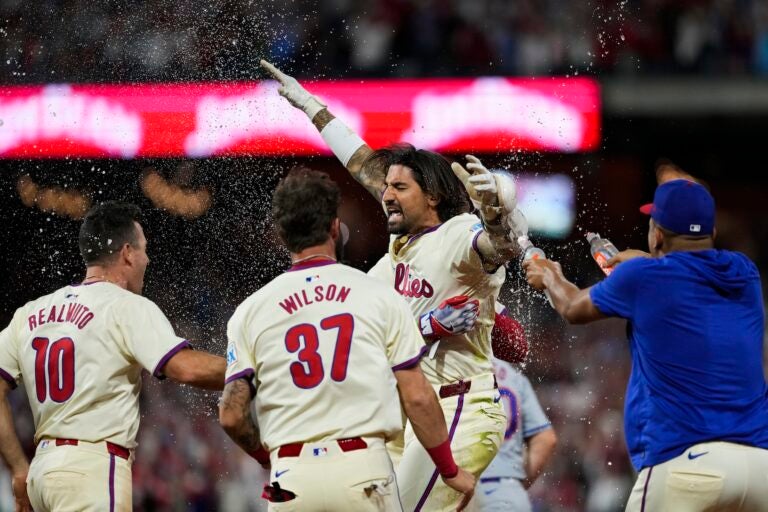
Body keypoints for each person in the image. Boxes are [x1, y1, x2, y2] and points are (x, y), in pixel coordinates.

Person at [261, 60, 526, 511]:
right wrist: (311, 107)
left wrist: (496, 215)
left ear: (433, 197)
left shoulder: (457, 234)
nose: (386, 193)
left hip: (457, 408)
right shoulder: (391, 260)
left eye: (400, 187)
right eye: (386, 186)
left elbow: (499, 248)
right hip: (410, 415)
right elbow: (365, 164)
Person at [218, 167, 476, 512]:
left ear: (281, 236)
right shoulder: (378, 294)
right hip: (362, 470)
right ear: (334, 227)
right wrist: (449, 469)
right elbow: (417, 397)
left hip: (291, 476)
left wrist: (267, 458)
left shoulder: (250, 311)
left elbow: (231, 415)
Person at [523, 179, 768, 511]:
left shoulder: (643, 278)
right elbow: (684, 275)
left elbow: (571, 308)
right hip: (758, 468)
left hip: (686, 464)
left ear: (657, 235)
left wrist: (549, 274)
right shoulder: (744, 273)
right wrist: (641, 268)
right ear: (709, 231)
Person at [0, 201, 226, 512]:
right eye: (144, 248)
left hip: (42, 471)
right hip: (92, 470)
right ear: (127, 253)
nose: (147, 258)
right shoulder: (125, 306)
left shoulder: (31, 312)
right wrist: (253, 371)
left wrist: (18, 468)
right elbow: (185, 369)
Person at [476, 310, 557, 512]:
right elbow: (546, 438)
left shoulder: (452, 369)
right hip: (510, 492)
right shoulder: (513, 377)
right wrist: (515, 483)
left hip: (469, 488)